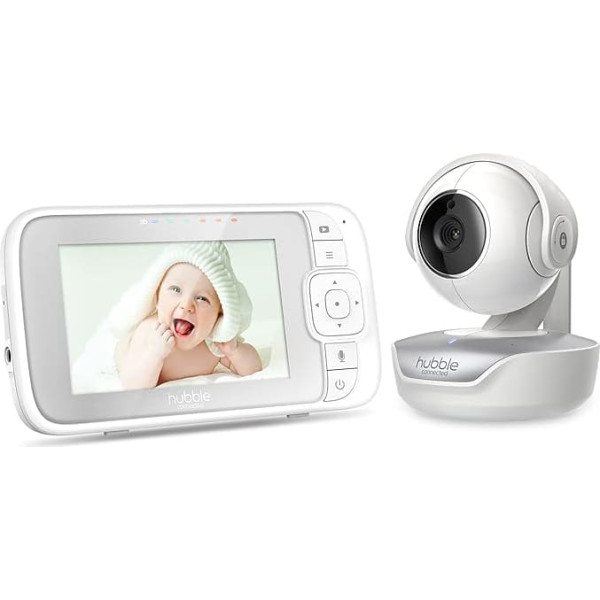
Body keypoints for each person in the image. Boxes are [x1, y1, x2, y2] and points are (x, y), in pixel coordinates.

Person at [112, 242, 262, 390]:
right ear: (157, 295)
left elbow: (253, 369)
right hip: (126, 351)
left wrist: (235, 351)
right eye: (176, 289)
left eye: (202, 298)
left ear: (220, 312)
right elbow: (132, 384)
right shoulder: (150, 333)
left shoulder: (212, 345)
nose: (186, 305)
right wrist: (153, 355)